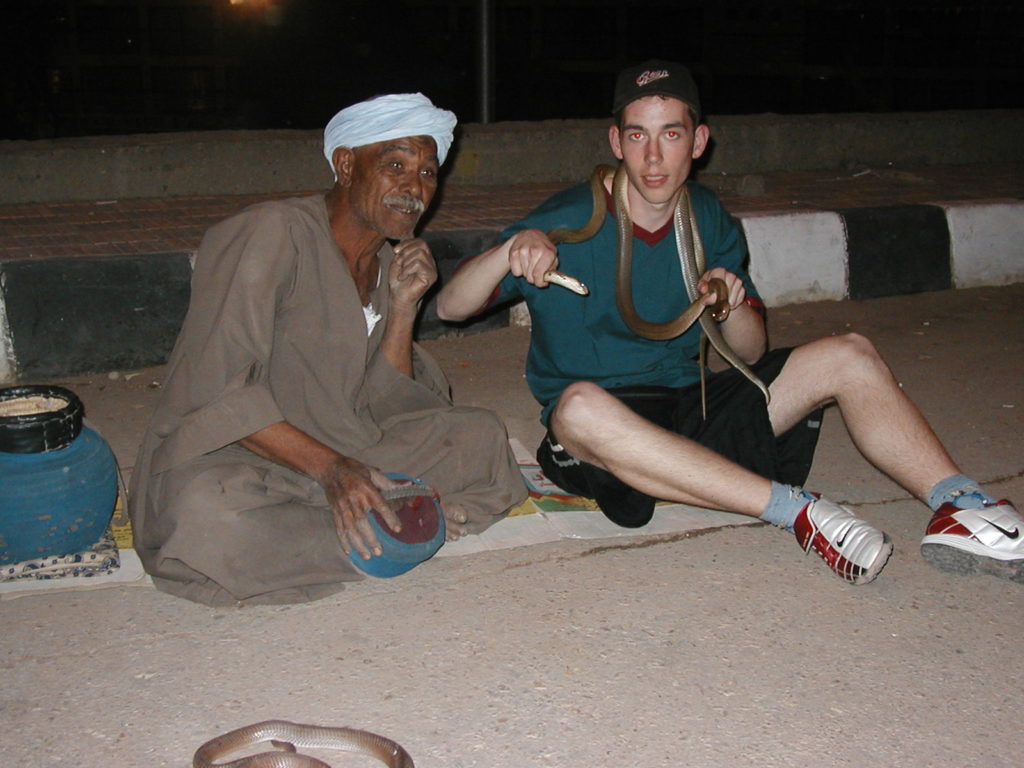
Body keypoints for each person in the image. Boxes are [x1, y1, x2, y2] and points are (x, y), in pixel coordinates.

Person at [436, 61, 1024, 586]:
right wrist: (512, 248)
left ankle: (960, 505)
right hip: (603, 428)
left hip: (690, 405)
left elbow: (749, 348)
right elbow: (450, 308)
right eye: (637, 135)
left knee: (851, 351)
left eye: (671, 135)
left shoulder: (708, 218)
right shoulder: (571, 219)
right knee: (576, 408)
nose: (653, 157)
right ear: (616, 140)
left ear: (699, 142)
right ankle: (797, 512)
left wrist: (730, 303)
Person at [129, 93, 527, 606]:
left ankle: (365, 521)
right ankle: (389, 524)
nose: (414, 189)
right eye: (396, 165)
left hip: (346, 443)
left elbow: (390, 402)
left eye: (428, 173)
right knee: (208, 521)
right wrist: (332, 471)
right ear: (346, 165)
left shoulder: (388, 263)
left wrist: (404, 307)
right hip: (246, 456)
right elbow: (213, 390)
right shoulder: (270, 232)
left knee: (482, 438)